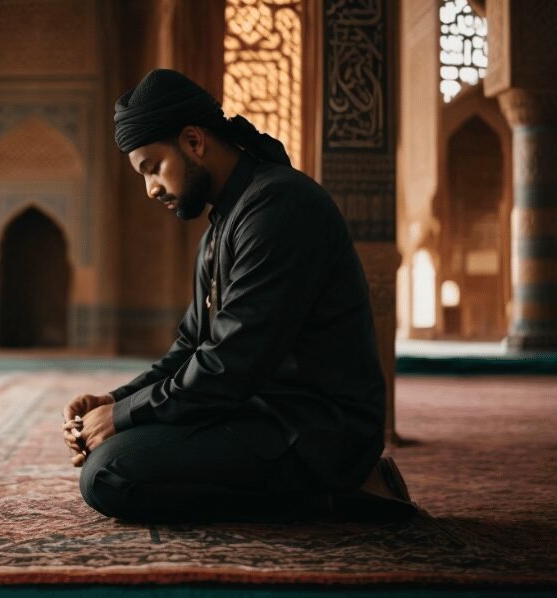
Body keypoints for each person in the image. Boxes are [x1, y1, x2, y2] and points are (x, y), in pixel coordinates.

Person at [61, 69, 415, 522]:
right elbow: (190, 349)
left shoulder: (278, 208)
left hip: (317, 431)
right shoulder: (224, 225)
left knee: (110, 474)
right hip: (258, 413)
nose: (150, 188)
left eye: (153, 168)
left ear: (193, 141)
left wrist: (123, 418)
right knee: (113, 454)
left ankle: (349, 492)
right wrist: (114, 402)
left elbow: (229, 364)